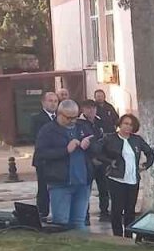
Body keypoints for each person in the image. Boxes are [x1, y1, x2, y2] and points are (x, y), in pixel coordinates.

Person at [33, 99, 94, 230]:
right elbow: (40, 154)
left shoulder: (82, 127)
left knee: (79, 222)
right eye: (69, 118)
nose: (72, 121)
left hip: (83, 183)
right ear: (59, 114)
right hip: (60, 183)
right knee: (61, 223)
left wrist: (89, 145)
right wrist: (65, 150)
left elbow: (97, 146)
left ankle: (80, 249)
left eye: (75, 117)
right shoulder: (48, 130)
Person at [96, 114, 154, 238]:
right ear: (120, 124)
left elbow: (150, 153)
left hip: (133, 179)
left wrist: (145, 165)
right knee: (117, 209)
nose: (128, 127)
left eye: (131, 125)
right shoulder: (110, 138)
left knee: (130, 210)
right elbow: (97, 152)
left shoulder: (136, 139)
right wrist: (109, 162)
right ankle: (117, 236)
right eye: (126, 123)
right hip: (116, 178)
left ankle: (128, 236)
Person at [29, 91, 59, 219]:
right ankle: (42, 212)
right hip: (43, 159)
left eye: (55, 101)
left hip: (58, 157)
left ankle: (58, 211)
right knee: (43, 186)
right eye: (50, 101)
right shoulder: (37, 118)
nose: (53, 104)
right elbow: (34, 137)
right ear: (43, 102)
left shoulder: (60, 118)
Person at [79, 99, 110, 222]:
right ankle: (84, 214)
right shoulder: (79, 124)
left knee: (104, 188)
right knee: (86, 189)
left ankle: (104, 212)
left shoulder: (99, 122)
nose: (91, 110)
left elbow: (105, 139)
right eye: (88, 108)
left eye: (93, 108)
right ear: (83, 109)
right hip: (87, 161)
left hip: (101, 160)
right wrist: (92, 158)